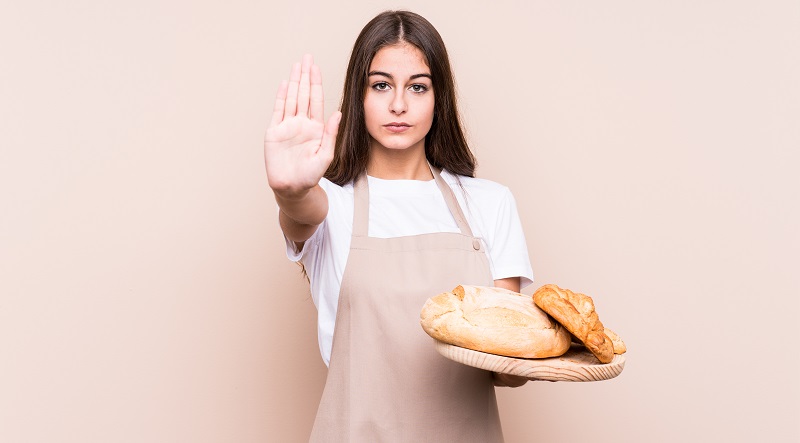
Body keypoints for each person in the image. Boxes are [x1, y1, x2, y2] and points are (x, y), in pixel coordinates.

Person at [265, 10, 534, 442]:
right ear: (359, 95)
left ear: (438, 98)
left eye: (418, 87)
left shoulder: (490, 203)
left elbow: (505, 367)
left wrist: (532, 359)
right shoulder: (332, 202)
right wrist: (290, 190)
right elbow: (301, 213)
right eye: (381, 85)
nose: (398, 104)